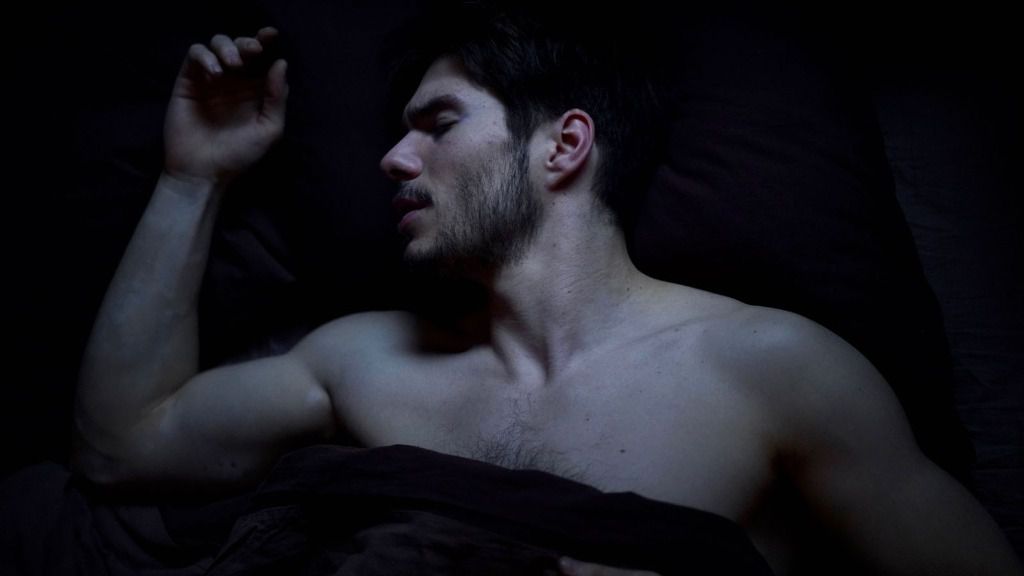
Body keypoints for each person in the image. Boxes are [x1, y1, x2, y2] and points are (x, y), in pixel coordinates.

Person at [72, 8, 1022, 576]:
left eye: (437, 123)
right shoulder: (357, 359)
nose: (394, 158)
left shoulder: (775, 371)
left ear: (564, 145)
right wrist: (191, 179)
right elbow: (120, 451)